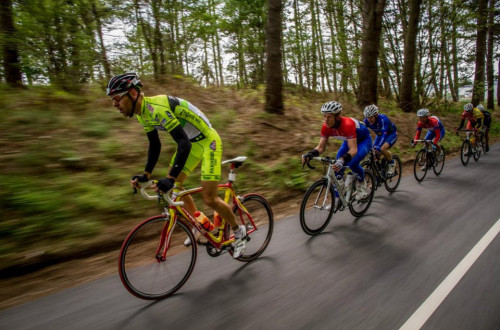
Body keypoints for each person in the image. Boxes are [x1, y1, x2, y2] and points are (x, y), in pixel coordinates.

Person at [106, 73, 247, 258]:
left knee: (209, 198)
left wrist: (170, 178)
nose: (114, 104)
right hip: (192, 143)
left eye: (116, 98)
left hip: (208, 142)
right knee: (176, 190)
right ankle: (203, 226)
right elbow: (155, 145)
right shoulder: (142, 113)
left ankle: (239, 231)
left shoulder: (157, 109)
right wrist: (146, 174)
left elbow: (183, 144)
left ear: (132, 94)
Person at [302, 101, 372, 196]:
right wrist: (310, 154)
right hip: (349, 140)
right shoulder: (326, 127)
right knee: (336, 166)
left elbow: (353, 150)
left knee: (352, 163)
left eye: (329, 117)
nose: (326, 120)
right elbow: (321, 147)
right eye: (324, 116)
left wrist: (343, 160)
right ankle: (339, 196)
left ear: (338, 116)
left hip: (364, 140)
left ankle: (361, 182)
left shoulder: (347, 124)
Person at [362, 105, 398, 175]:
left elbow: (384, 134)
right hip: (380, 135)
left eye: (371, 117)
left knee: (382, 149)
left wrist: (378, 146)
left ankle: (392, 163)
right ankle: (379, 173)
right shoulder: (366, 121)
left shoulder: (383, 119)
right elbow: (363, 133)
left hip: (391, 134)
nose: (370, 120)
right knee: (373, 153)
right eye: (368, 117)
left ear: (376, 115)